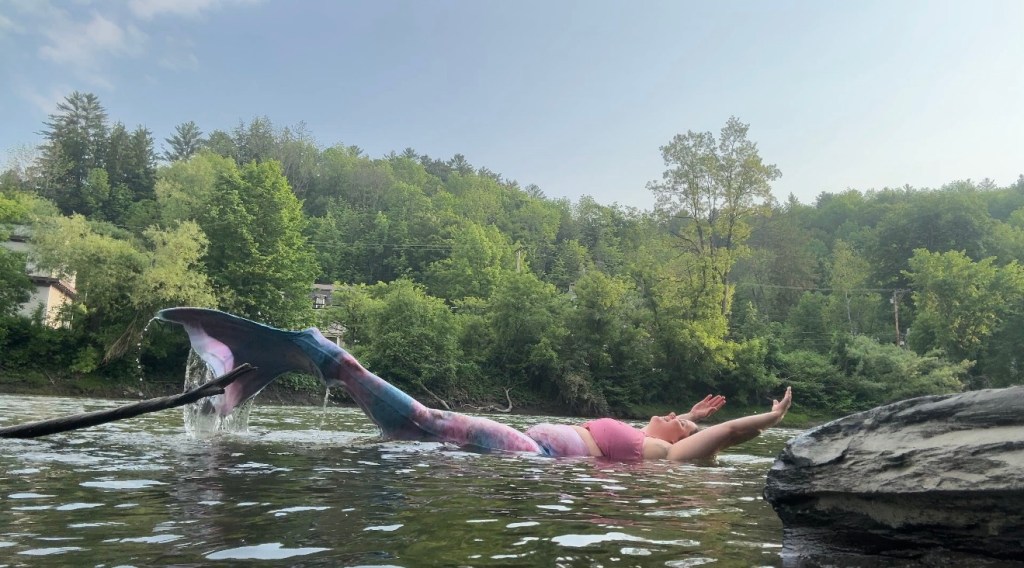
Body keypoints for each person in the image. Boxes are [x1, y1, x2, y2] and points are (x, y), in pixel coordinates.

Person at [157, 307, 792, 461]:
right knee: (413, 432)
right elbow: (688, 426)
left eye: (682, 425)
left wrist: (763, 421)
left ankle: (324, 356)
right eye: (679, 417)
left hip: (529, 454)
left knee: (424, 425)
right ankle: (305, 360)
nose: (678, 419)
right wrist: (688, 414)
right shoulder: (638, 432)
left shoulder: (656, 454)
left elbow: (715, 440)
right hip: (523, 448)